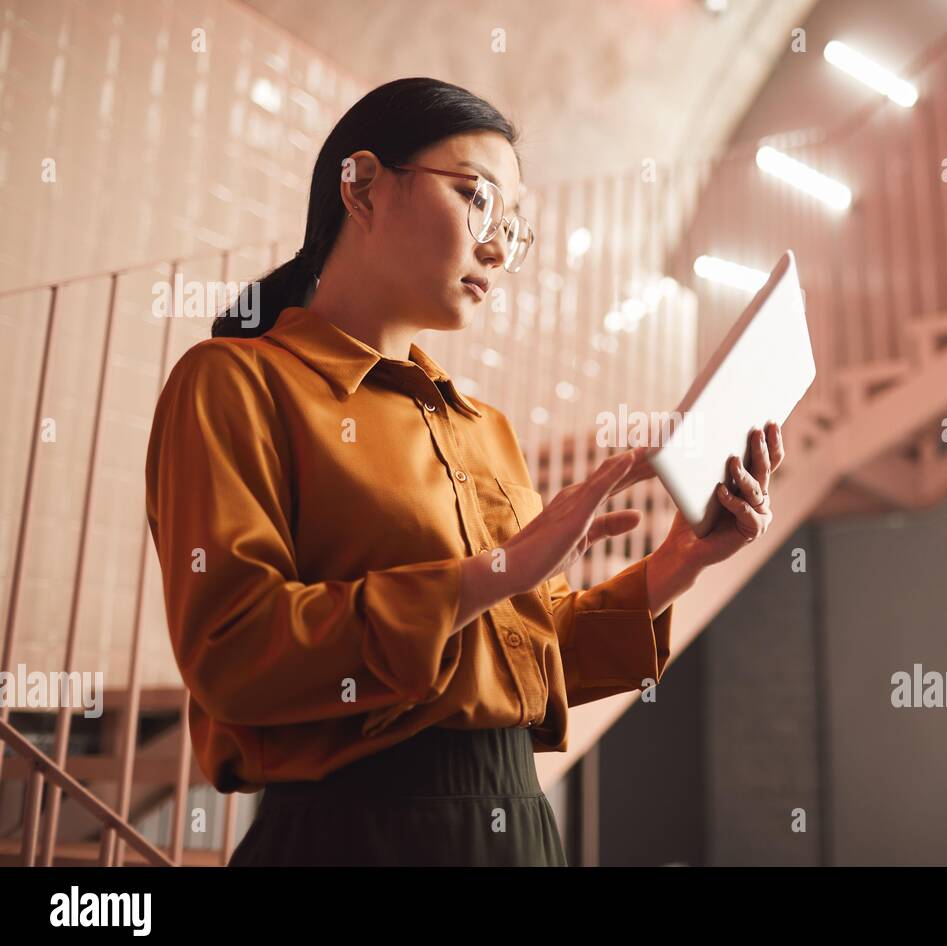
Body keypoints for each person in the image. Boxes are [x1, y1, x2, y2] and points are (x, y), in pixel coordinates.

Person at [144, 77, 784, 866]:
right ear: (364, 185)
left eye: (514, 231)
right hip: (356, 837)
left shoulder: (487, 429)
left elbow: (528, 656)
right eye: (477, 200)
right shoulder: (234, 381)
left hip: (518, 827)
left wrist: (680, 562)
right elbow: (233, 653)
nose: (497, 248)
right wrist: (500, 568)